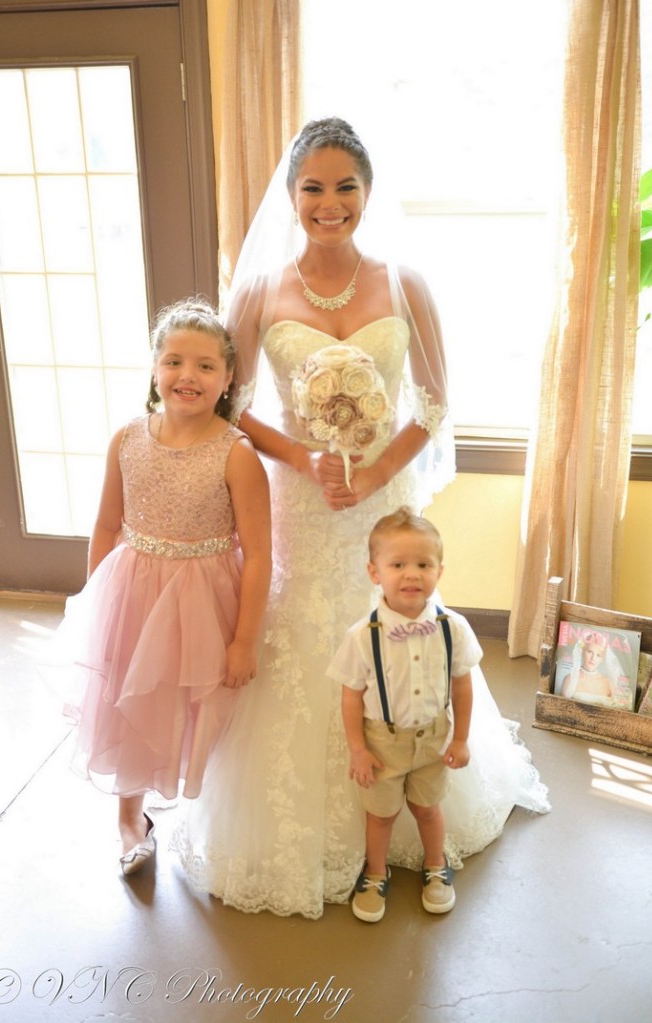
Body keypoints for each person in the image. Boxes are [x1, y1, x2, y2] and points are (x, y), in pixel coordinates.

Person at [174, 117, 550, 918]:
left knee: (396, 619)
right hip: (300, 497)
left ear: (368, 193)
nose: (330, 202)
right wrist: (300, 455)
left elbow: (435, 401)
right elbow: (232, 402)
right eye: (313, 187)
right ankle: (313, 819)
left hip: (381, 499)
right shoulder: (260, 291)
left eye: (346, 186)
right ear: (291, 195)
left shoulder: (404, 283)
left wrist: (376, 467)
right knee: (304, 630)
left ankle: (418, 801)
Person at [57, 298, 271, 875]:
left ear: (227, 378)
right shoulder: (127, 438)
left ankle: (213, 813)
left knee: (202, 706)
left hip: (207, 601)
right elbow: (107, 525)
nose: (187, 376)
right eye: (174, 361)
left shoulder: (237, 454)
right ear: (155, 369)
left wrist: (244, 640)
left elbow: (259, 554)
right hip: (133, 593)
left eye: (205, 365)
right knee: (131, 702)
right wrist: (97, 607)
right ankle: (130, 819)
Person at [329, 508, 481, 923]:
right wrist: (358, 749)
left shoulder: (453, 628)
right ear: (374, 572)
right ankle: (375, 873)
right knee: (381, 814)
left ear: (439, 571)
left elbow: (462, 686)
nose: (411, 574)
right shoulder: (362, 636)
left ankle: (436, 865)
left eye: (423, 565)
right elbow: (350, 697)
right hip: (382, 743)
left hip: (433, 739)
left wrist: (461, 738)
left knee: (428, 808)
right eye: (398, 565)